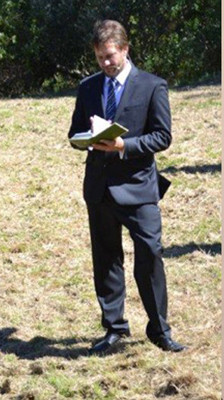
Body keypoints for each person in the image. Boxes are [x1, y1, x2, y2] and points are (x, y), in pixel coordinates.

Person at [68, 20, 186, 355]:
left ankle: (159, 330)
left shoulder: (152, 86)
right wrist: (85, 141)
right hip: (100, 189)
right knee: (106, 260)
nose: (105, 63)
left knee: (150, 256)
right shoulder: (88, 87)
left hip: (139, 189)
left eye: (109, 56)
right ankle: (114, 328)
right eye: (99, 58)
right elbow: (74, 131)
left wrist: (124, 145)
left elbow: (162, 137)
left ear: (125, 49)